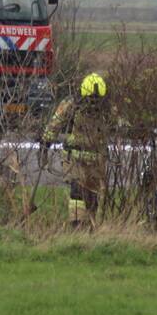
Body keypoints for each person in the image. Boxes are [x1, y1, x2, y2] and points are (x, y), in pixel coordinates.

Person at [41, 72, 114, 228]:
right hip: (78, 158)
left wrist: (45, 145)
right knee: (79, 191)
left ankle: (87, 226)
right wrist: (45, 145)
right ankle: (78, 225)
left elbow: (54, 125)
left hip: (92, 158)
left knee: (89, 193)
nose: (93, 104)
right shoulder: (76, 105)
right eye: (91, 100)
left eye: (96, 100)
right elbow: (55, 125)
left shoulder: (77, 104)